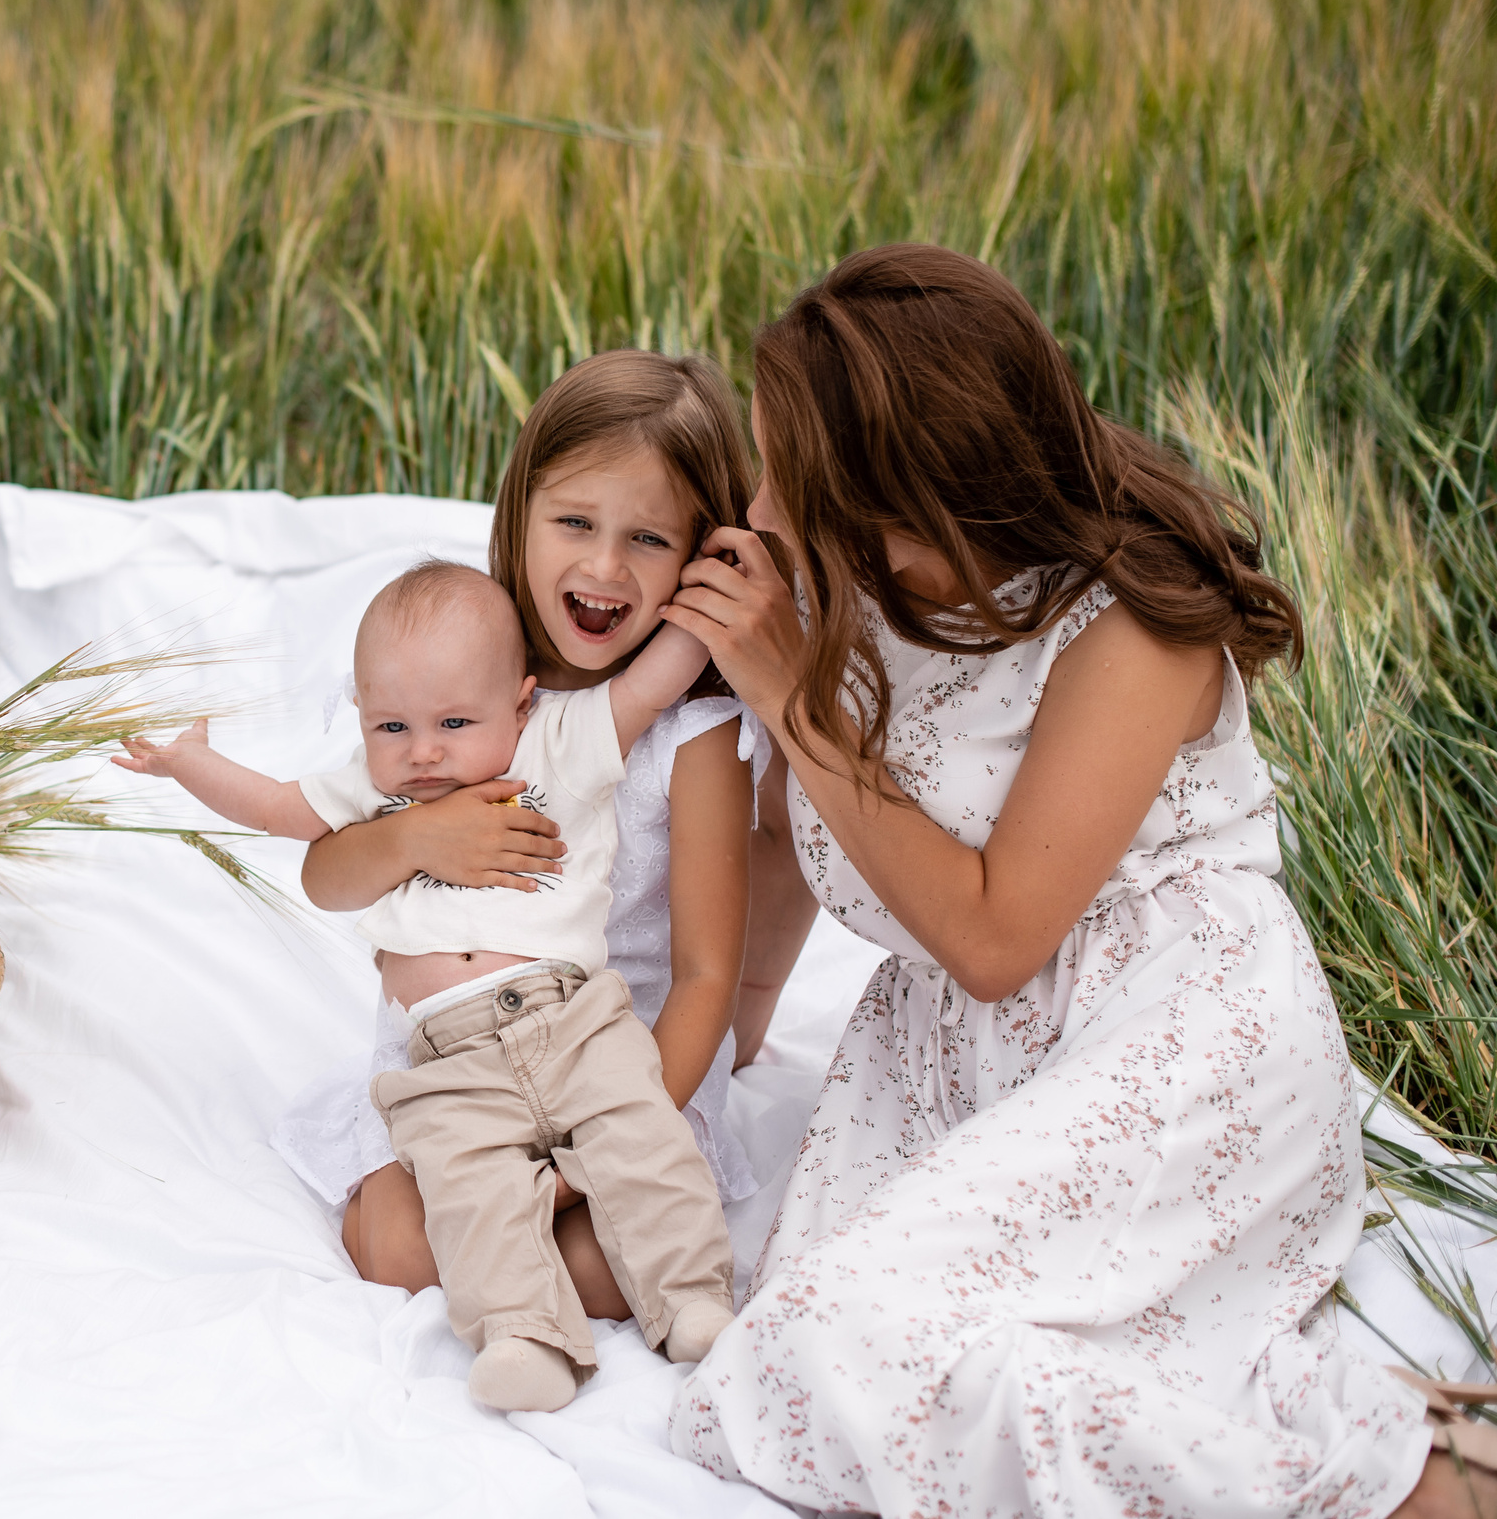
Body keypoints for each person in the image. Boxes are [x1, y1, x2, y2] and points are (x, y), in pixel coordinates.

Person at [653, 242, 1493, 1516]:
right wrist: (726, 1054)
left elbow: (998, 936)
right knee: (783, 1362)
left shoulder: (1133, 620)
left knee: (839, 1349)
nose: (761, 508)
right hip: (947, 1061)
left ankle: (1395, 1480)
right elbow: (783, 838)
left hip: (1173, 1033)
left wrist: (791, 697)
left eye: (793, 475)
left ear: (915, 495)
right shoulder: (853, 576)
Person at [270, 351, 812, 1328]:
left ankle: (530, 1258)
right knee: (399, 1244)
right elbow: (327, 874)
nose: (605, 568)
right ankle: (489, 1244)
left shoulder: (689, 738)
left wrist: (599, 1145)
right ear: (517, 514)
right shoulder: (456, 690)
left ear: (696, 557)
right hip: (451, 1077)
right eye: (573, 521)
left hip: (622, 1078)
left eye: (649, 537)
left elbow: (701, 977)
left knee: (609, 1268)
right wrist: (417, 835)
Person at [120, 555, 737, 1411]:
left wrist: (719, 590)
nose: (424, 752)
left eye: (452, 721)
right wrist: (190, 763)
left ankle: (695, 1298)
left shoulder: (556, 743)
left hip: (574, 1018)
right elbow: (276, 808)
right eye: (393, 729)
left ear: (520, 704)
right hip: (446, 1057)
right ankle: (524, 1335)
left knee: (640, 1142)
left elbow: (648, 684)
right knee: (471, 1193)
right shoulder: (376, 795)